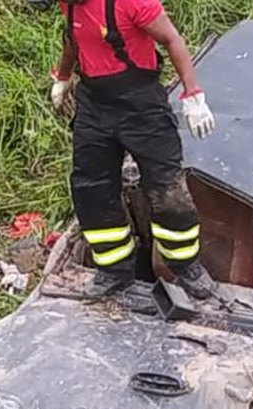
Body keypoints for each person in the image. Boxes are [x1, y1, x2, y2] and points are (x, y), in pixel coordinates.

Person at [46, 0, 218, 299]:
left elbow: (171, 39)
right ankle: (114, 270)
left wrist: (194, 95)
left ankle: (186, 267)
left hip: (142, 106)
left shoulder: (132, 3)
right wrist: (62, 77)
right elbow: (74, 38)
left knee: (167, 189)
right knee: (91, 189)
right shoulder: (70, 5)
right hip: (94, 104)